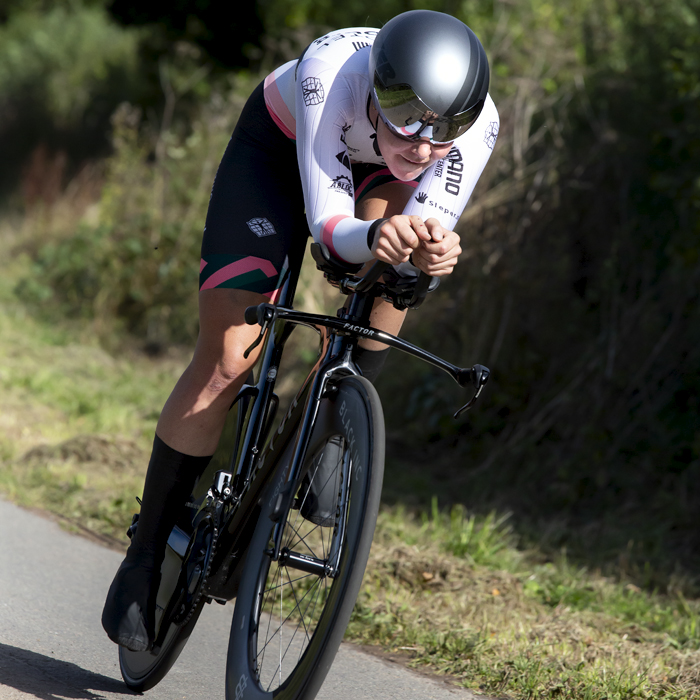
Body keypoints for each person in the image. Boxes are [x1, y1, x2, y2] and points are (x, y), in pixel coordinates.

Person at [101, 9, 499, 652]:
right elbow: (331, 230)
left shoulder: (474, 129)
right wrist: (370, 236)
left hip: (366, 182)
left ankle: (341, 415)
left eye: (443, 134)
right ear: (377, 90)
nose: (423, 148)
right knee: (230, 356)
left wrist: (428, 252)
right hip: (281, 158)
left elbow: (426, 222)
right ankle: (145, 552)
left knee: (402, 267)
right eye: (409, 125)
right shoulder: (330, 70)